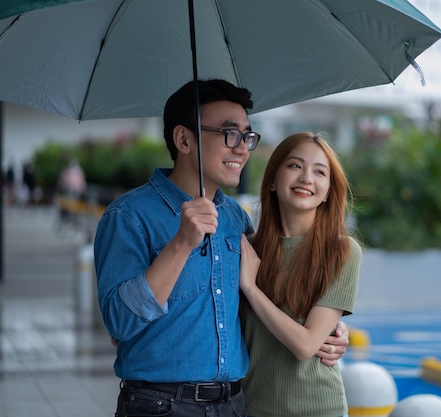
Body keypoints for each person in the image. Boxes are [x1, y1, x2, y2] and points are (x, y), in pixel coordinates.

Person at [93, 80, 348, 417]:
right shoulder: (129, 216)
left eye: (247, 136)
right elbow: (120, 324)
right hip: (159, 405)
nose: (241, 148)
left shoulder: (234, 220)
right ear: (184, 139)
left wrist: (330, 331)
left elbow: (254, 303)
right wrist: (181, 243)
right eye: (230, 134)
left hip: (233, 404)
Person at [239, 132, 362, 417]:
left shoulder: (342, 251)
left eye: (320, 172)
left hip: (318, 408)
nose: (307, 178)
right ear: (272, 180)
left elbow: (306, 345)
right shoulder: (248, 249)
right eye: (295, 166)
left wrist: (251, 288)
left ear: (329, 191)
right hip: (251, 407)